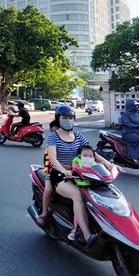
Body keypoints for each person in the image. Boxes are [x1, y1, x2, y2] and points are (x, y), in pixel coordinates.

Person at [47, 105, 120, 247]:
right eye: (65, 118)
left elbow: (92, 154)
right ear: (58, 119)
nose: (68, 121)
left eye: (70, 118)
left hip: (81, 173)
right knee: (78, 195)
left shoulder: (79, 136)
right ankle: (87, 235)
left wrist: (109, 165)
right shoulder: (53, 137)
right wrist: (63, 170)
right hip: (61, 175)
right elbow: (52, 158)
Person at [68, 145, 97, 240]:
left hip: (93, 188)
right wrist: (82, 168)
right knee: (80, 205)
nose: (88, 158)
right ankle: (75, 229)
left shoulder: (95, 164)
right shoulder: (78, 163)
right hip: (81, 187)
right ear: (79, 155)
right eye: (85, 155)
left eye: (90, 156)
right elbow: (75, 169)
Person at [36, 120, 60, 226]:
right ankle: (44, 213)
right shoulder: (51, 146)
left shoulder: (71, 142)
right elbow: (48, 162)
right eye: (52, 132)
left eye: (57, 132)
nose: (55, 134)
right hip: (51, 173)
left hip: (70, 173)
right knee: (48, 189)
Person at [121, 99, 139, 164]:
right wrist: (137, 126)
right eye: (135, 106)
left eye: (137, 106)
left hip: (137, 132)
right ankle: (135, 157)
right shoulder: (125, 114)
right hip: (128, 132)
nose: (137, 107)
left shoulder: (137, 115)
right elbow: (127, 123)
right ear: (130, 106)